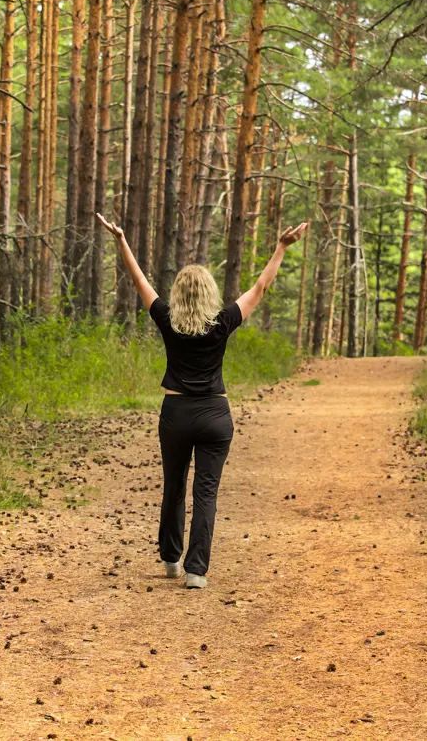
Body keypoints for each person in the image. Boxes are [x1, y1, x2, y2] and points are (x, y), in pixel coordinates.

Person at [96, 212, 307, 589]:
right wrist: (280, 247)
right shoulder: (223, 321)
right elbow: (259, 288)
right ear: (210, 293)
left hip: (176, 413)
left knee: (174, 485)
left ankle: (171, 560)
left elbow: (139, 280)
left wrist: (122, 240)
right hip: (214, 414)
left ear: (178, 294)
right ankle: (196, 571)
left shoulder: (166, 317)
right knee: (205, 492)